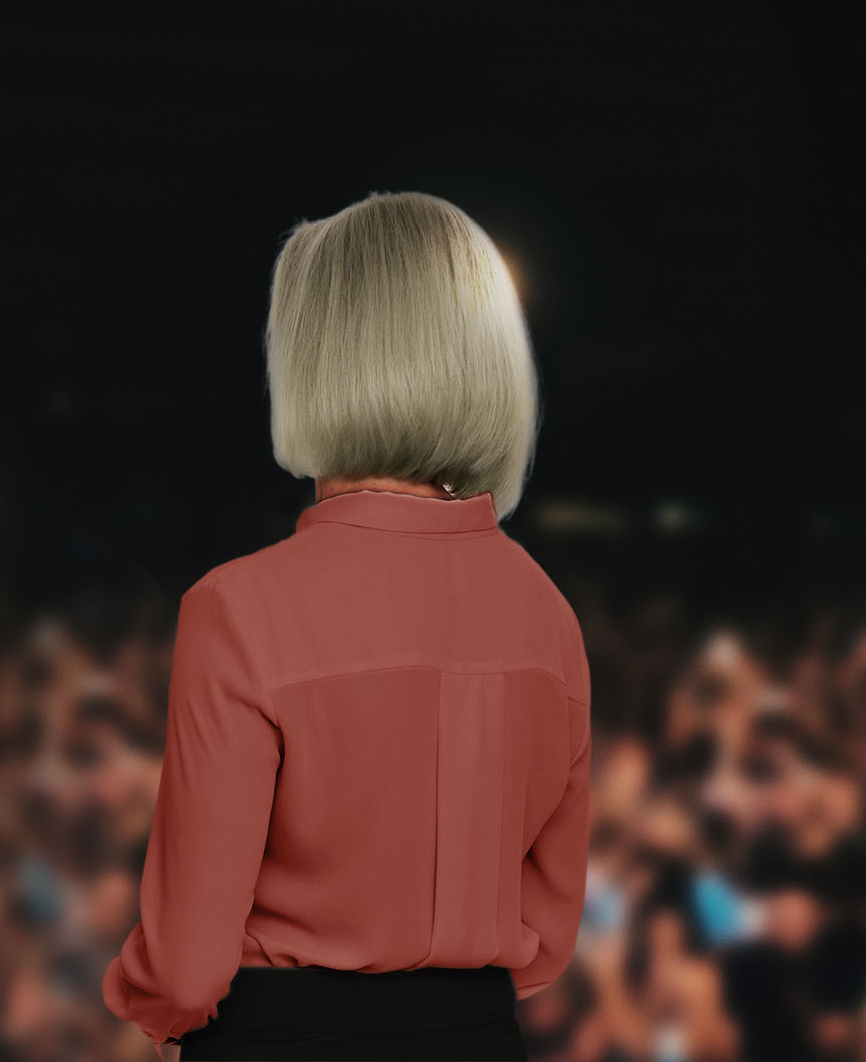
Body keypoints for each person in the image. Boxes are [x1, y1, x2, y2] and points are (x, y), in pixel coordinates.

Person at [99, 191, 589, 1060]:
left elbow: (184, 969)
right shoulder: (549, 615)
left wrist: (143, 1002)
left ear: (312, 360)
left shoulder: (238, 610)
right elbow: (547, 935)